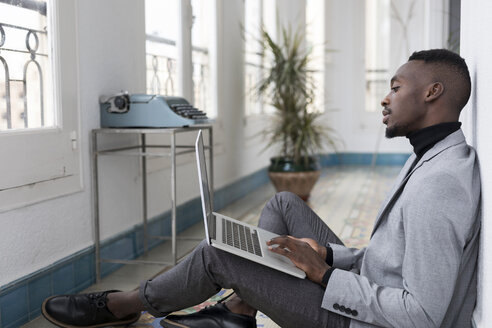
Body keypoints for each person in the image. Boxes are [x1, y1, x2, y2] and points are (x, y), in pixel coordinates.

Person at [42, 48, 481, 328]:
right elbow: (391, 260)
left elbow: (422, 316)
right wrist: (327, 255)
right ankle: (237, 312)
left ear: (432, 93)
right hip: (365, 286)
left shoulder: (439, 185)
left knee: (218, 253)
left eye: (395, 87)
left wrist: (324, 275)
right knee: (284, 204)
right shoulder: (432, 154)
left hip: (360, 322)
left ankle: (125, 305)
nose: (385, 98)